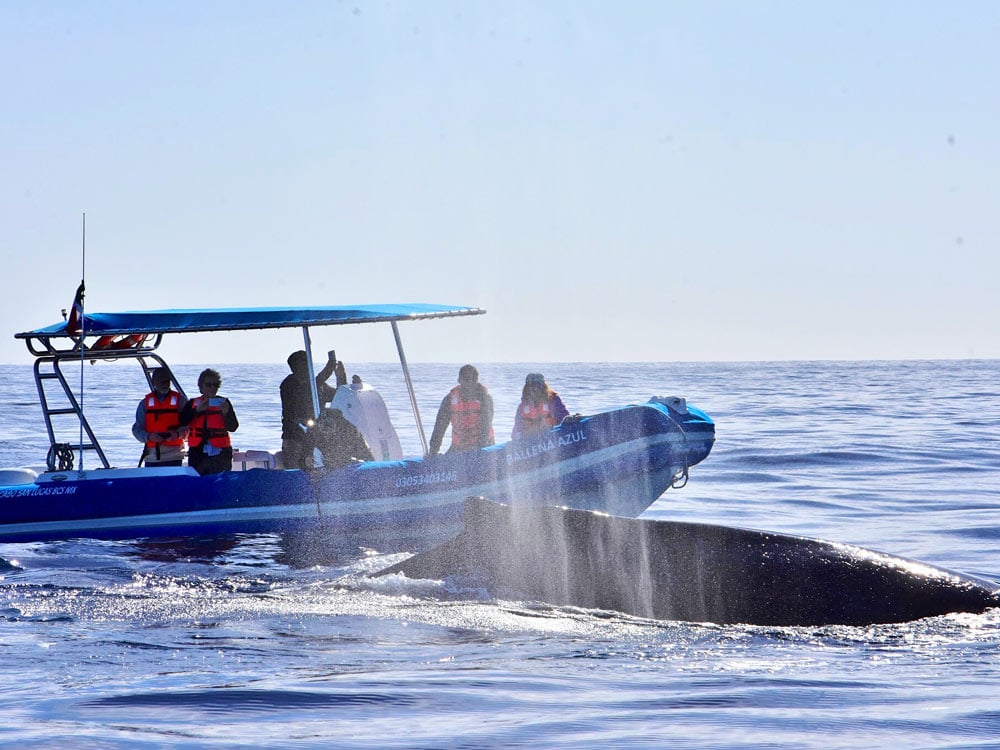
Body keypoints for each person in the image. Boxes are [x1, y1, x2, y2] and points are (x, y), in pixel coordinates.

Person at [280, 349, 346, 470]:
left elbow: (338, 397)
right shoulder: (289, 385)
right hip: (295, 440)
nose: (308, 368)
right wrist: (328, 369)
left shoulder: (318, 386)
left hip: (316, 437)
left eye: (309, 364)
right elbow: (308, 389)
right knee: (296, 473)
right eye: (304, 364)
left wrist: (341, 378)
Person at [180, 368, 239, 475]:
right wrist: (197, 410)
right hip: (198, 451)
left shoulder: (224, 403)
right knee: (198, 482)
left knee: (220, 481)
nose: (212, 388)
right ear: (201, 387)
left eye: (215, 385)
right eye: (208, 385)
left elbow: (233, 427)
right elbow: (182, 421)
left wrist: (225, 413)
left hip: (221, 452)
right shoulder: (193, 403)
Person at [427, 364, 495, 456]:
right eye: (466, 380)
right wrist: (433, 451)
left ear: (476, 381)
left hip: (484, 446)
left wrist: (477, 454)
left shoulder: (485, 399)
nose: (469, 384)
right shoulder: (449, 400)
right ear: (459, 381)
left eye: (473, 380)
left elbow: (485, 428)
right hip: (459, 446)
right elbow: (439, 427)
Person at [131, 366, 188, 467]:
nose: (165, 384)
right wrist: (149, 436)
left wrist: (176, 434)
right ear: (154, 383)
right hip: (152, 457)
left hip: (175, 456)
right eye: (161, 382)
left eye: (167, 381)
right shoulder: (145, 404)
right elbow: (137, 429)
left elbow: (190, 427)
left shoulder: (181, 401)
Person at [309, 407, 375, 471]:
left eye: (328, 429)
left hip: (348, 459)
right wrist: (307, 459)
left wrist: (372, 466)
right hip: (329, 462)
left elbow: (367, 455)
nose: (326, 433)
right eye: (323, 430)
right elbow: (305, 452)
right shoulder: (314, 432)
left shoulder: (349, 430)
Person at [511, 372, 569, 440]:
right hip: (531, 442)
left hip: (553, 437)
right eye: (532, 385)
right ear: (526, 388)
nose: (535, 388)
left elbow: (565, 418)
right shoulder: (522, 407)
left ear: (544, 387)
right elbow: (516, 432)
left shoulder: (553, 401)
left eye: (538, 385)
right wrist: (522, 436)